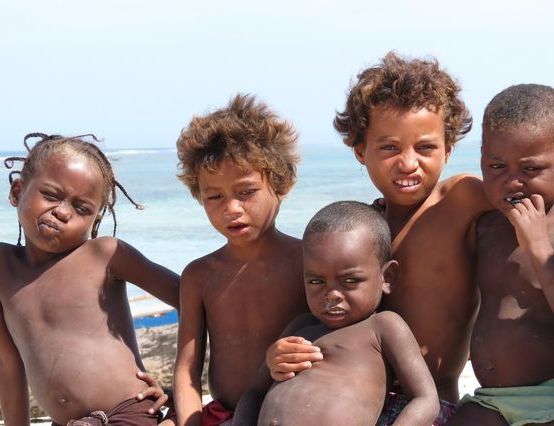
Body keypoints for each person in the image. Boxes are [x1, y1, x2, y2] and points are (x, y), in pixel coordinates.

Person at [266, 52, 492, 423]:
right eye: (389, 147)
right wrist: (279, 355)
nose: (407, 162)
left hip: (431, 404)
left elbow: (529, 189)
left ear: (449, 149)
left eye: (426, 147)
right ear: (360, 151)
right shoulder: (363, 229)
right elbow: (324, 312)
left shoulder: (459, 200)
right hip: (356, 405)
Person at [0, 133, 180, 426]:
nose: (62, 211)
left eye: (81, 208)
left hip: (128, 414)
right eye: (51, 195)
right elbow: (7, 360)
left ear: (94, 221)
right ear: (18, 191)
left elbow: (195, 300)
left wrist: (182, 395)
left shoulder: (106, 255)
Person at [233, 201, 439, 426]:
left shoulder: (383, 327)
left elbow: (426, 399)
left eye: (350, 281)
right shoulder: (301, 326)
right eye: (316, 281)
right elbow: (254, 392)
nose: (331, 295)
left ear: (387, 277)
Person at [173, 94, 309, 426]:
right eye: (214, 196)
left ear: (280, 185)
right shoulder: (200, 276)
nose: (231, 208)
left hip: (292, 413)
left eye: (246, 192)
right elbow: (186, 370)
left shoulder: (308, 260)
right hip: (222, 415)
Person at [446, 84, 554, 425]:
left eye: (531, 169)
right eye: (496, 167)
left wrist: (539, 248)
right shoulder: (486, 225)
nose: (512, 182)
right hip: (493, 401)